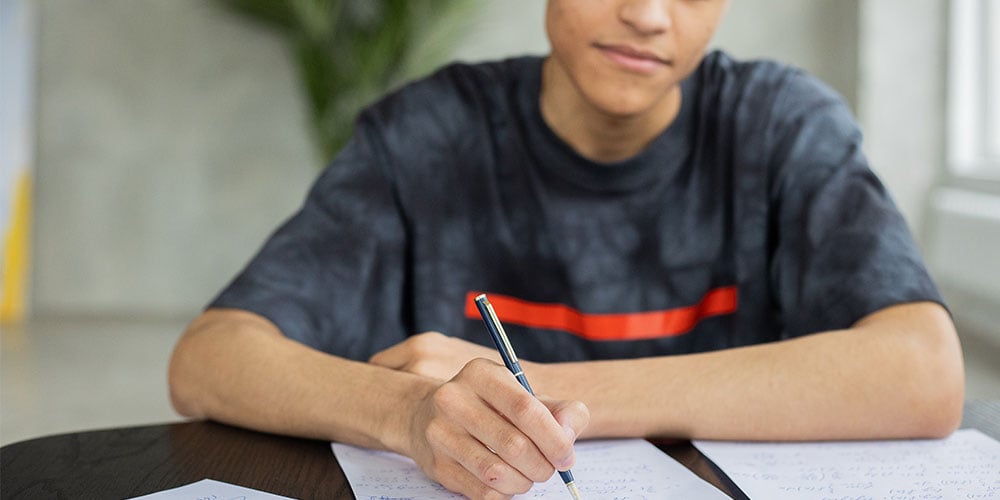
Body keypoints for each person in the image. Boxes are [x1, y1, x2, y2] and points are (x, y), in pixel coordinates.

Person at [168, 0, 965, 498]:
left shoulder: (781, 127)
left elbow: (923, 372)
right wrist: (409, 414)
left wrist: (544, 393)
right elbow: (210, 358)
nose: (650, 14)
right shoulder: (429, 135)